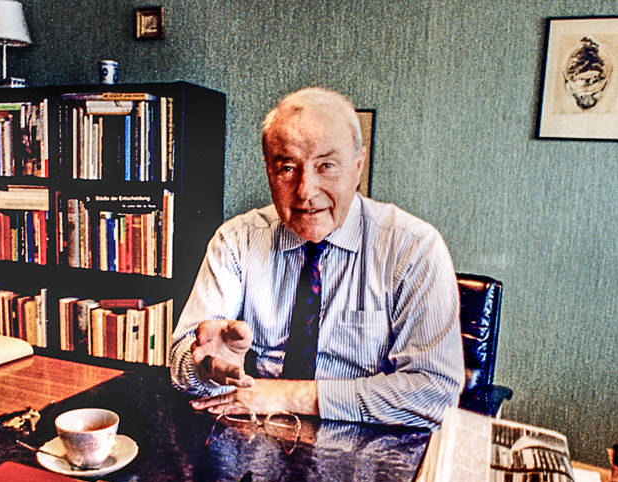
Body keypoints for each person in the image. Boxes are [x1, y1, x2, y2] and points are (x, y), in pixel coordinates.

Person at [169, 87, 464, 429]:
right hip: (254, 429)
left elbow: (435, 393)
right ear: (268, 171)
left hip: (366, 439)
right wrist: (204, 367)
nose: (306, 190)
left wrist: (289, 396)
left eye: (327, 165)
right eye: (287, 168)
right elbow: (180, 363)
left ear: (358, 166)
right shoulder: (236, 239)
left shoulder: (413, 248)